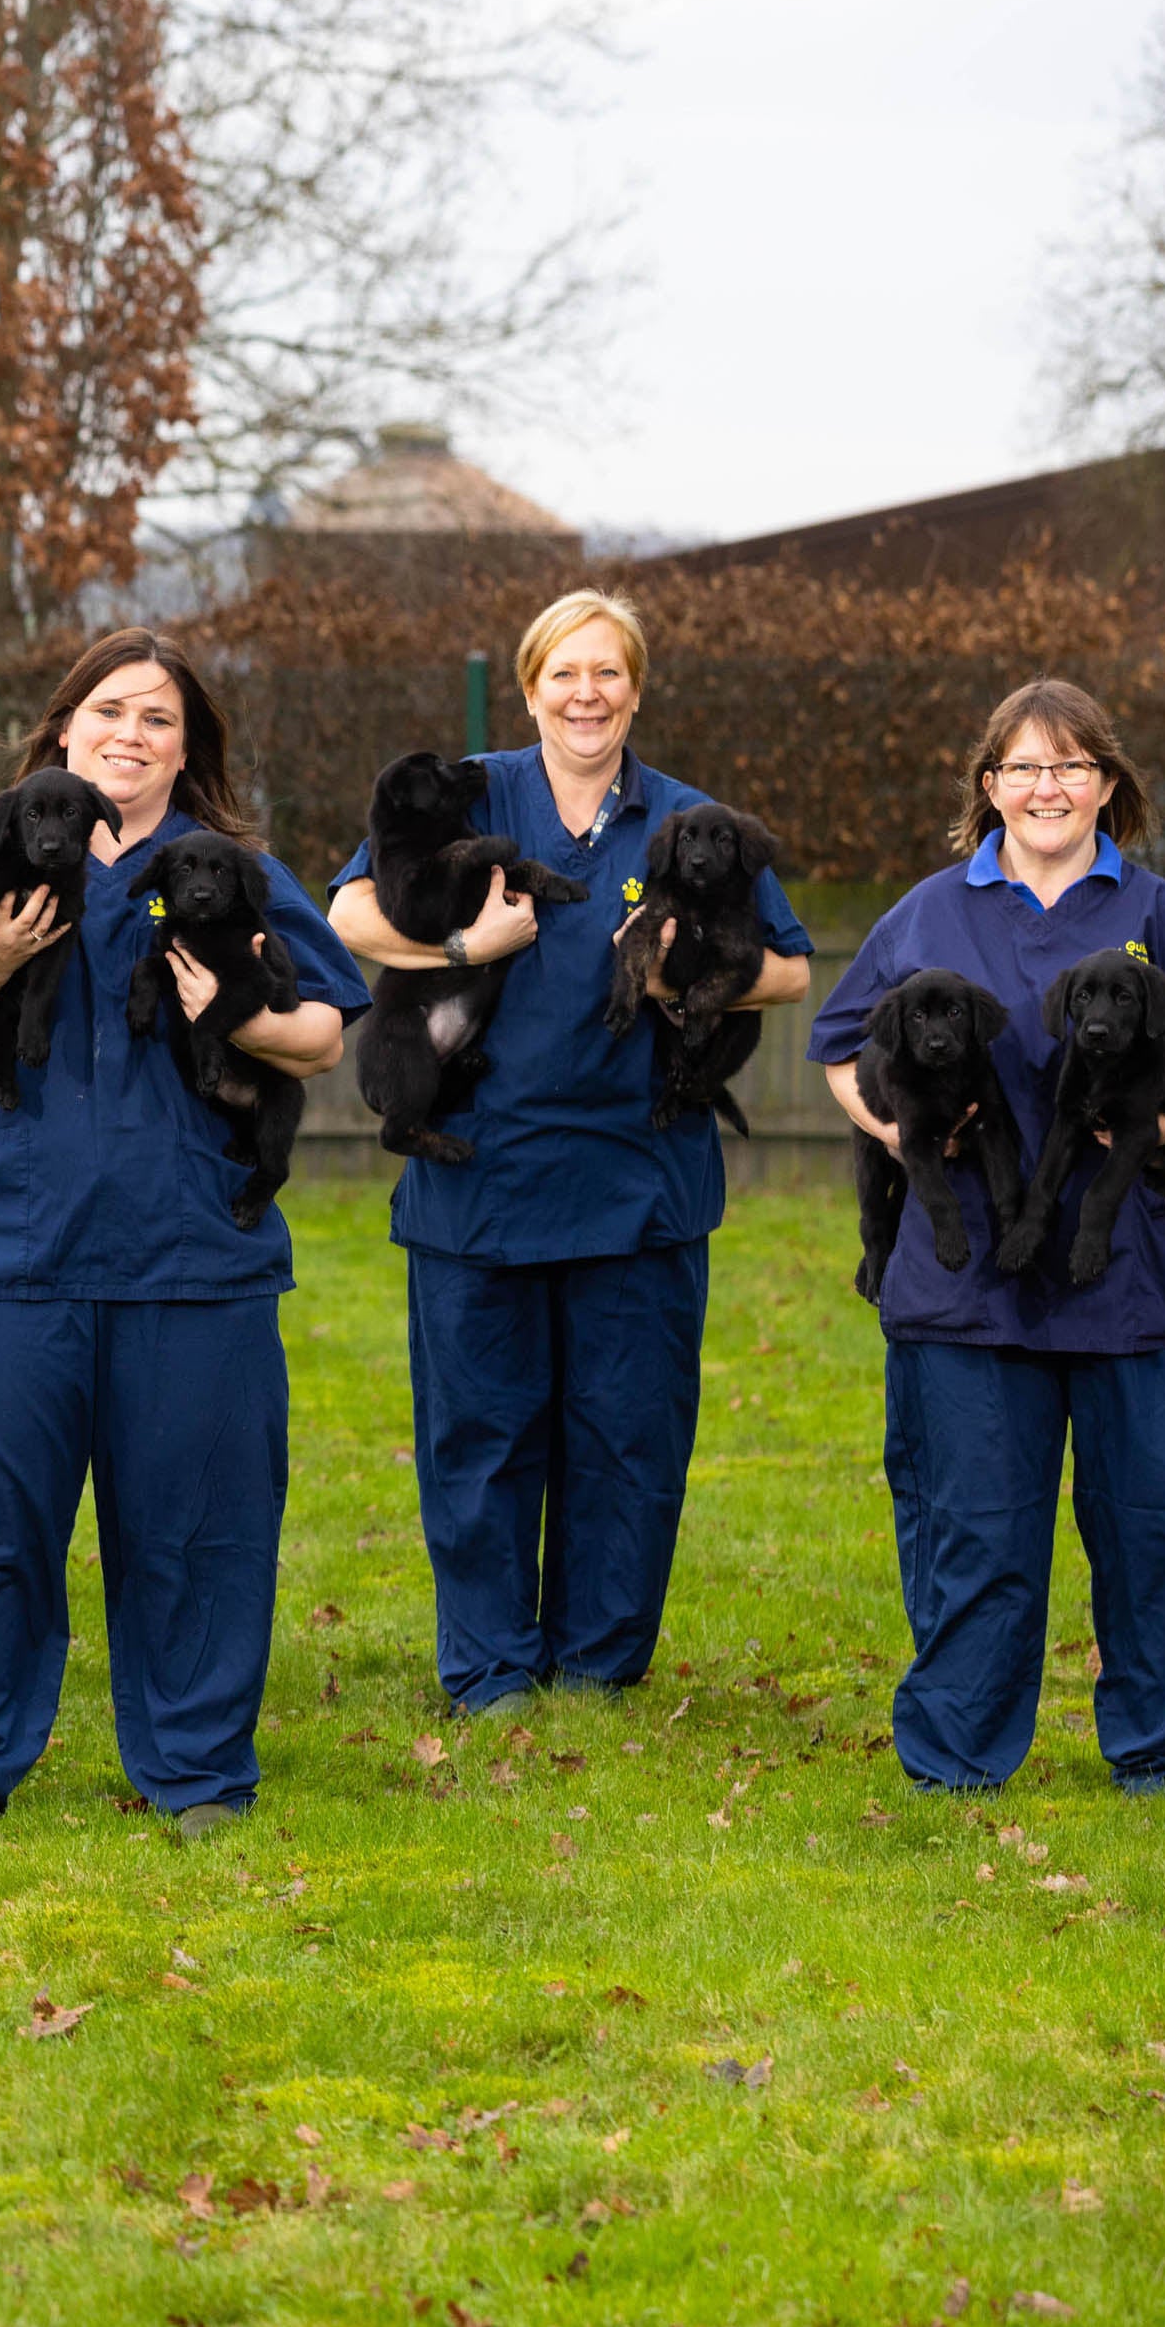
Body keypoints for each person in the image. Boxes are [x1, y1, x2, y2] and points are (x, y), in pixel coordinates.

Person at [0, 628, 364, 1836]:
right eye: (109, 711)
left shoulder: (233, 869)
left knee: (199, 1529)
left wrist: (234, 1014)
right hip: (9, 1252)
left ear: (186, 750)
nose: (129, 735)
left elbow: (323, 1035)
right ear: (62, 728)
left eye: (158, 719)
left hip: (192, 1254)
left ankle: (195, 1772)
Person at [326, 590, 815, 1713]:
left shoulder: (689, 819)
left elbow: (788, 968)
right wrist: (461, 940)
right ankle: (492, 1671)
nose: (584, 695)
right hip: (480, 1176)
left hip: (637, 1180)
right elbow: (347, 911)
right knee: (480, 1438)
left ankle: (598, 1666)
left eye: (607, 675)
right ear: (530, 685)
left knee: (626, 1437)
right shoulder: (471, 791)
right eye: (563, 674)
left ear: (635, 690)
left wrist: (693, 972)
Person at [810, 679, 1165, 1794]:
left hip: (1143, 1278)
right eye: (1023, 768)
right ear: (988, 788)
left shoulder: (1160, 914)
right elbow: (838, 1048)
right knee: (971, 1530)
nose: (1046, 788)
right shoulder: (926, 912)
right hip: (965, 1281)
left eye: (1071, 767)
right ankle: (956, 1761)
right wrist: (897, 1131)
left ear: (1106, 785)